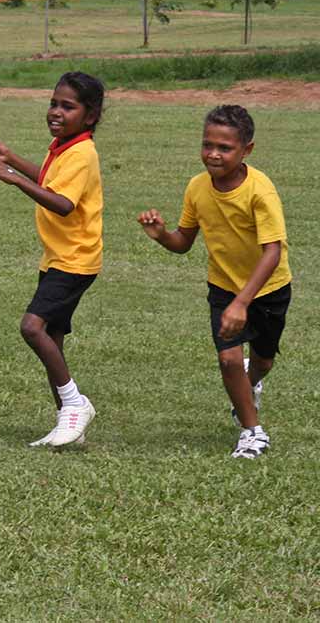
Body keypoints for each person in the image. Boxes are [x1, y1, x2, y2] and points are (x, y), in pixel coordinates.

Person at [138, 105, 291, 459]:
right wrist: (162, 235)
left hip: (268, 289)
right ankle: (252, 433)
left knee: (263, 362)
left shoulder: (260, 191)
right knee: (228, 360)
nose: (213, 154)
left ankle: (250, 384)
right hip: (223, 287)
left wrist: (243, 302)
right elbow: (183, 242)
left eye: (225, 148)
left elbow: (272, 252)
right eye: (207, 145)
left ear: (247, 150)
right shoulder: (197, 187)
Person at [0, 72, 105, 448]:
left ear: (90, 116)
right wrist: (11, 159)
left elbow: (63, 204)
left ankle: (75, 405)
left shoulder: (82, 153)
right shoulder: (64, 146)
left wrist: (15, 179)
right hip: (59, 257)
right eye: (53, 103)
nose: (56, 111)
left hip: (74, 260)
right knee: (52, 336)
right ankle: (69, 420)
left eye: (68, 106)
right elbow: (51, 180)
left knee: (32, 327)